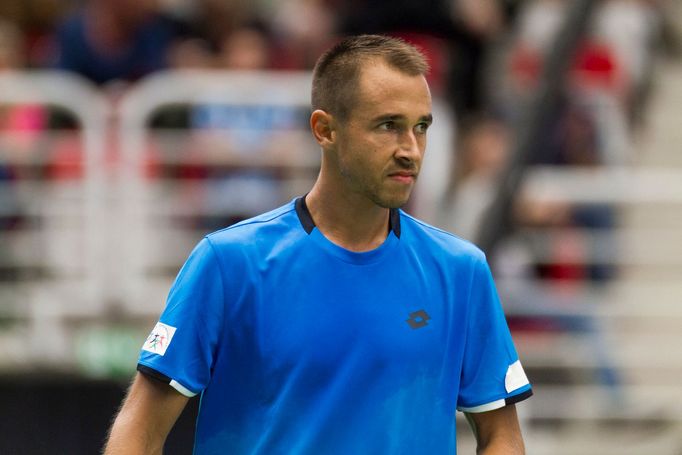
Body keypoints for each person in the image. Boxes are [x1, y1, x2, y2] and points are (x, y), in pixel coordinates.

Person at [104, 34, 532, 454]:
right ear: (325, 130)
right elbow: (139, 431)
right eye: (389, 126)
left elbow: (502, 437)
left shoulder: (461, 271)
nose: (411, 150)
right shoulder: (229, 263)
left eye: (421, 127)